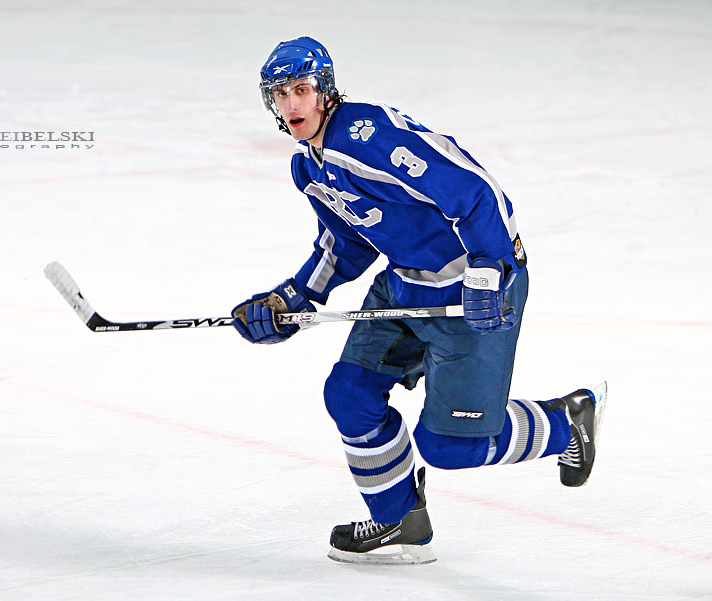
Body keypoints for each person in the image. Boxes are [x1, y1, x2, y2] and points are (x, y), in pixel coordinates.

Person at [231, 36, 607, 565]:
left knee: (451, 448)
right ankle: (399, 521)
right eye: (280, 94)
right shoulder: (310, 167)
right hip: (406, 288)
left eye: (302, 89)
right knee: (350, 394)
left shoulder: (368, 137)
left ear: (325, 91)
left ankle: (567, 422)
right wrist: (292, 297)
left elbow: (476, 192)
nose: (292, 104)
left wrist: (490, 269)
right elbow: (347, 243)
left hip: (470, 293)